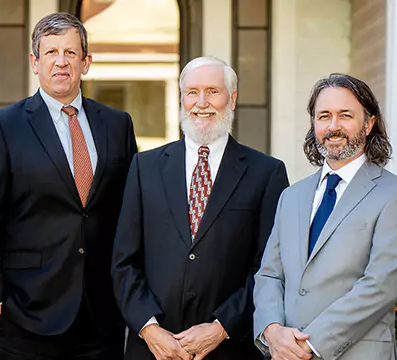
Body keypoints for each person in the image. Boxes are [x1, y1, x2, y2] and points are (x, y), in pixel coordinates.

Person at [0, 12, 137, 360]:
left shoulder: (117, 125)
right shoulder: (3, 126)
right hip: (25, 315)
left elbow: (129, 214)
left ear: (86, 62)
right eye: (51, 53)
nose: (61, 63)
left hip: (102, 315)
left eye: (71, 53)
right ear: (35, 62)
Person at [111, 56, 289, 360]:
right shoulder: (144, 167)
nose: (201, 102)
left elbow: (269, 268)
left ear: (232, 99)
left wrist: (221, 328)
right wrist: (149, 329)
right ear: (182, 98)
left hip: (230, 349)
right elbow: (124, 262)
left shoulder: (266, 173)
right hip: (153, 349)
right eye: (192, 92)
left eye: (213, 91)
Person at [253, 73, 397, 360]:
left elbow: (380, 287)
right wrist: (272, 330)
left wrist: (309, 345)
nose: (333, 126)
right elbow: (270, 274)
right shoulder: (292, 197)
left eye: (345, 115)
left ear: (368, 123)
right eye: (324, 116)